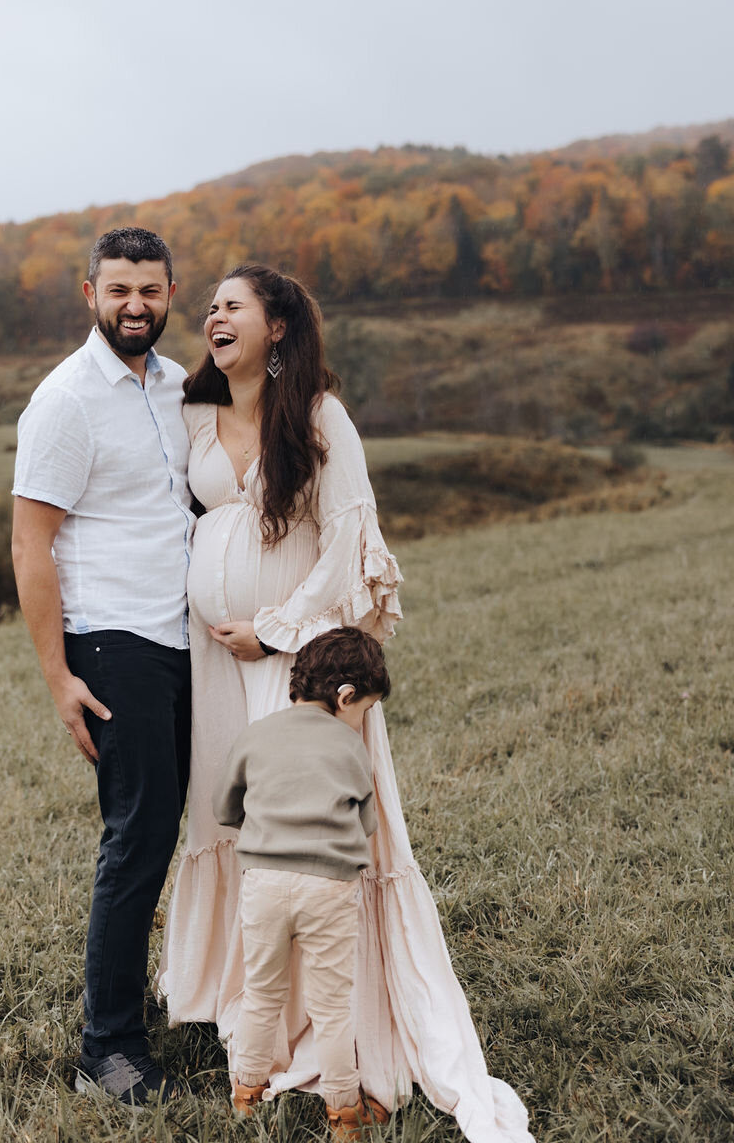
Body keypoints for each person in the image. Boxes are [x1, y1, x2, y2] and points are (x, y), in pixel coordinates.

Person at [157, 263, 535, 1143]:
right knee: (239, 823)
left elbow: (350, 542)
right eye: (208, 307)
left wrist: (280, 626)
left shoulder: (322, 418)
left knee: (313, 829)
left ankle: (333, 1023)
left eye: (232, 306)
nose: (212, 316)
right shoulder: (191, 415)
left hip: (297, 661)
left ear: (278, 327)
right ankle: (241, 1004)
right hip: (217, 665)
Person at [11, 226, 193, 1108]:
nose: (135, 306)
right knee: (140, 835)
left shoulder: (178, 387)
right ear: (90, 294)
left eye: (150, 291)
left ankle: (197, 993)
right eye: (119, 290)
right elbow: (29, 543)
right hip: (114, 644)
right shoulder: (66, 401)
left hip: (187, 639)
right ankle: (107, 1049)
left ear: (169, 294)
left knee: (197, 829)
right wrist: (59, 679)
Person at [214, 626, 393, 1140]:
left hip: (264, 882)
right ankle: (343, 1114)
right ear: (345, 697)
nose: (362, 720)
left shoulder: (257, 734)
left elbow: (224, 808)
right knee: (332, 1007)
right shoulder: (350, 746)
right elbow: (366, 822)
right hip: (329, 887)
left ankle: (245, 1095)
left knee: (262, 994)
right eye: (365, 709)